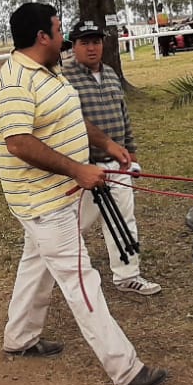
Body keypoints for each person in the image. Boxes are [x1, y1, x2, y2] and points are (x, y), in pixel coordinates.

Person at [0, 2, 167, 385]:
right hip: (43, 203)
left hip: (59, 197)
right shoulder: (15, 81)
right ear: (42, 37)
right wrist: (77, 169)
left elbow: (71, 117)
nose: (64, 38)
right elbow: (18, 142)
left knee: (36, 265)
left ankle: (19, 337)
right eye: (58, 30)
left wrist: (107, 143)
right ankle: (126, 369)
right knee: (81, 280)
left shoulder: (49, 71)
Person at [63, 19, 162, 296]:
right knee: (72, 225)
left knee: (123, 220)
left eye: (96, 42)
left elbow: (123, 116)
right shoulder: (64, 78)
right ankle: (58, 270)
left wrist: (131, 152)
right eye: (84, 42)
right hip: (84, 168)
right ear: (73, 46)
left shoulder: (109, 73)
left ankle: (128, 275)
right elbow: (69, 122)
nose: (91, 48)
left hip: (117, 166)